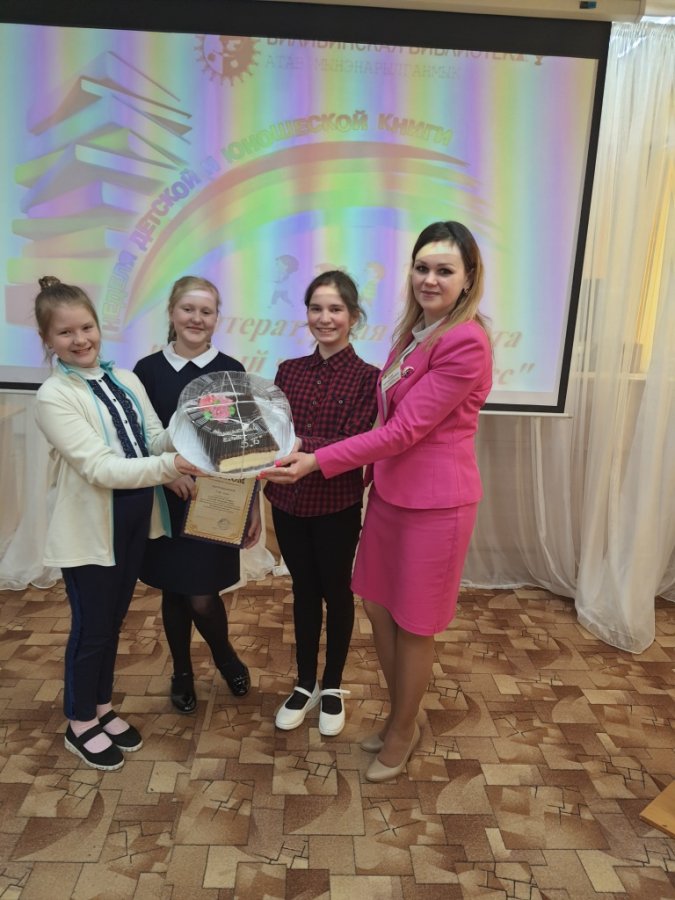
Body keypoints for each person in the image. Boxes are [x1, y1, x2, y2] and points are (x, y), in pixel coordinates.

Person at [262, 222, 493, 780]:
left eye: (444, 270)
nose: (429, 279)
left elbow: (404, 430)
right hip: (391, 494)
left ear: (467, 279)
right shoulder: (414, 336)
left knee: (414, 623)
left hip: (435, 505)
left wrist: (318, 459)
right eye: (422, 267)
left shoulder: (465, 340)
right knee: (377, 608)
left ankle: (403, 730)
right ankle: (398, 716)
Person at [34, 276, 202, 772]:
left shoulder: (125, 378)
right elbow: (100, 468)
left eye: (86, 327)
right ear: (47, 340)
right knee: (91, 627)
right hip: (91, 528)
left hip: (133, 521)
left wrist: (194, 425)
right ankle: (79, 720)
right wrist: (173, 466)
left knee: (113, 622)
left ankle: (101, 705)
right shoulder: (53, 395)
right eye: (65, 332)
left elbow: (153, 437)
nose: (80, 339)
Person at [134, 276, 260, 714]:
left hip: (216, 501)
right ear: (172, 312)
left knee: (202, 595)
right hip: (166, 499)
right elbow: (138, 438)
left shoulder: (231, 369)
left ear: (216, 318)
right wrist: (167, 474)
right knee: (174, 591)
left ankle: (225, 657)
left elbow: (245, 444)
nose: (196, 318)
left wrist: (253, 506)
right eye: (188, 309)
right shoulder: (146, 370)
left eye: (206, 311)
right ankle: (182, 673)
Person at [264, 271, 379, 736]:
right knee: (303, 591)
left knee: (337, 592)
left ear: (354, 316)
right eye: (316, 308)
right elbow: (275, 433)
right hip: (287, 501)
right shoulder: (288, 371)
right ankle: (305, 682)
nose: (325, 318)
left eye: (335, 309)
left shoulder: (369, 378)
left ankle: (332, 685)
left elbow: (356, 441)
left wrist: (301, 447)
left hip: (336, 504)